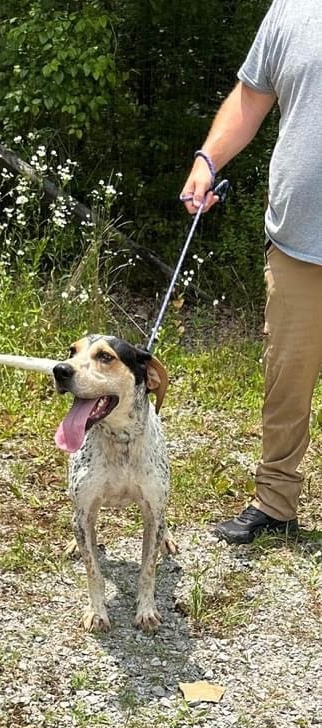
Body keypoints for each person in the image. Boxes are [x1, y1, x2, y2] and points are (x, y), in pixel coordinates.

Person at [181, 0, 322, 544]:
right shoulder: (289, 9)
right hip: (297, 246)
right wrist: (207, 161)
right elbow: (251, 96)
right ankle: (277, 503)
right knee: (286, 381)